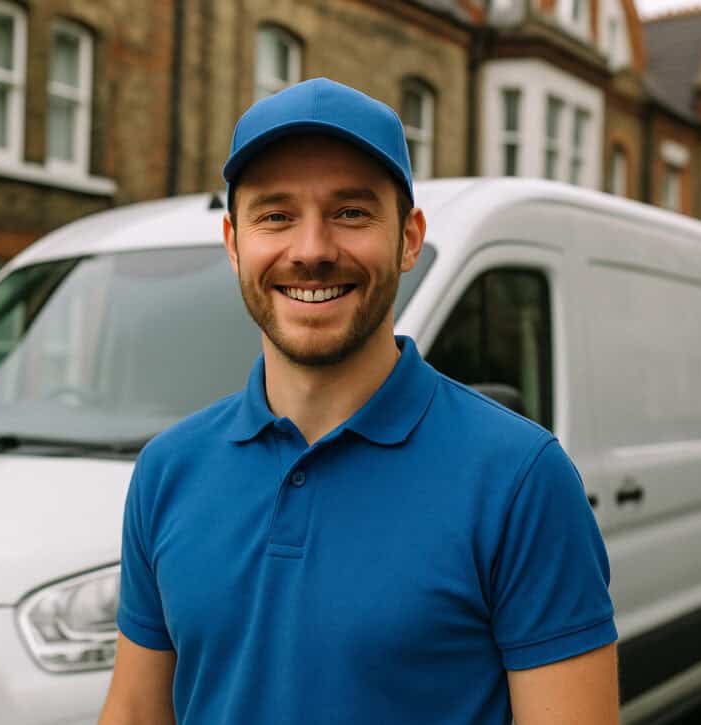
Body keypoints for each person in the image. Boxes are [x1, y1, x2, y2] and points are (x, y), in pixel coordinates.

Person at [99, 78, 619, 725]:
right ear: (234, 242)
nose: (312, 250)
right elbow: (134, 712)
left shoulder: (519, 478)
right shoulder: (167, 472)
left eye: (350, 212)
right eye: (276, 215)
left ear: (407, 237)